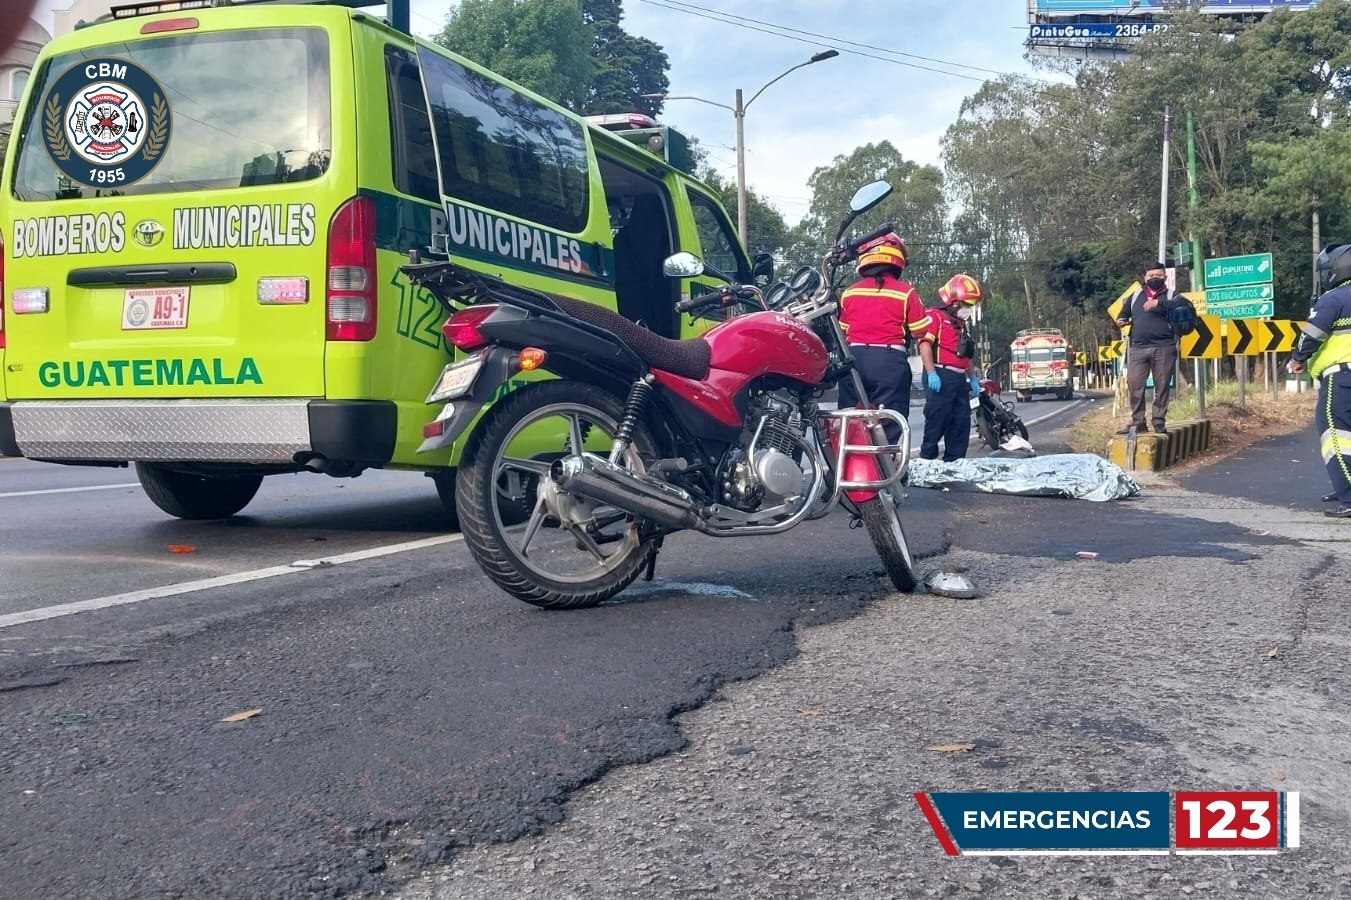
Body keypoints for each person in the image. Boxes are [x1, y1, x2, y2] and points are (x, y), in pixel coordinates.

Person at [837, 233, 933, 443]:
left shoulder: (849, 293)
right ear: (897, 260)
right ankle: (886, 466)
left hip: (854, 359)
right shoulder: (906, 293)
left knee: (848, 417)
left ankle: (844, 467)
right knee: (891, 418)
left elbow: (843, 330)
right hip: (889, 363)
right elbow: (919, 332)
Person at [1287, 244, 1351, 518]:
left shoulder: (1334, 298)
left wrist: (1297, 358)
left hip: (1342, 377)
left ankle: (1348, 495)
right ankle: (1343, 486)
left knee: (1336, 435)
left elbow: (1311, 334)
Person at [1114, 261, 1191, 434]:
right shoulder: (1135, 296)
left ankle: (1158, 421)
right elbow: (1123, 315)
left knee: (1162, 386)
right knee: (1134, 384)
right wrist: (1121, 321)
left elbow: (1186, 307)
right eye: (1151, 275)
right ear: (1145, 277)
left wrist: (1159, 304)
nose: (1155, 278)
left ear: (1165, 277)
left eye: (1158, 275)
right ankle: (1137, 422)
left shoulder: (1172, 295)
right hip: (1137, 348)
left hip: (1164, 347)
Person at [917, 273, 984, 462]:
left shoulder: (961, 325)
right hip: (940, 374)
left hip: (958, 378)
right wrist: (931, 373)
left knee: (960, 421)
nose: (969, 309)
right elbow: (924, 345)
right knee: (937, 419)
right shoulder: (934, 317)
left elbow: (965, 354)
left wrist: (972, 378)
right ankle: (926, 460)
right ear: (954, 302)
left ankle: (954, 461)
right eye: (967, 305)